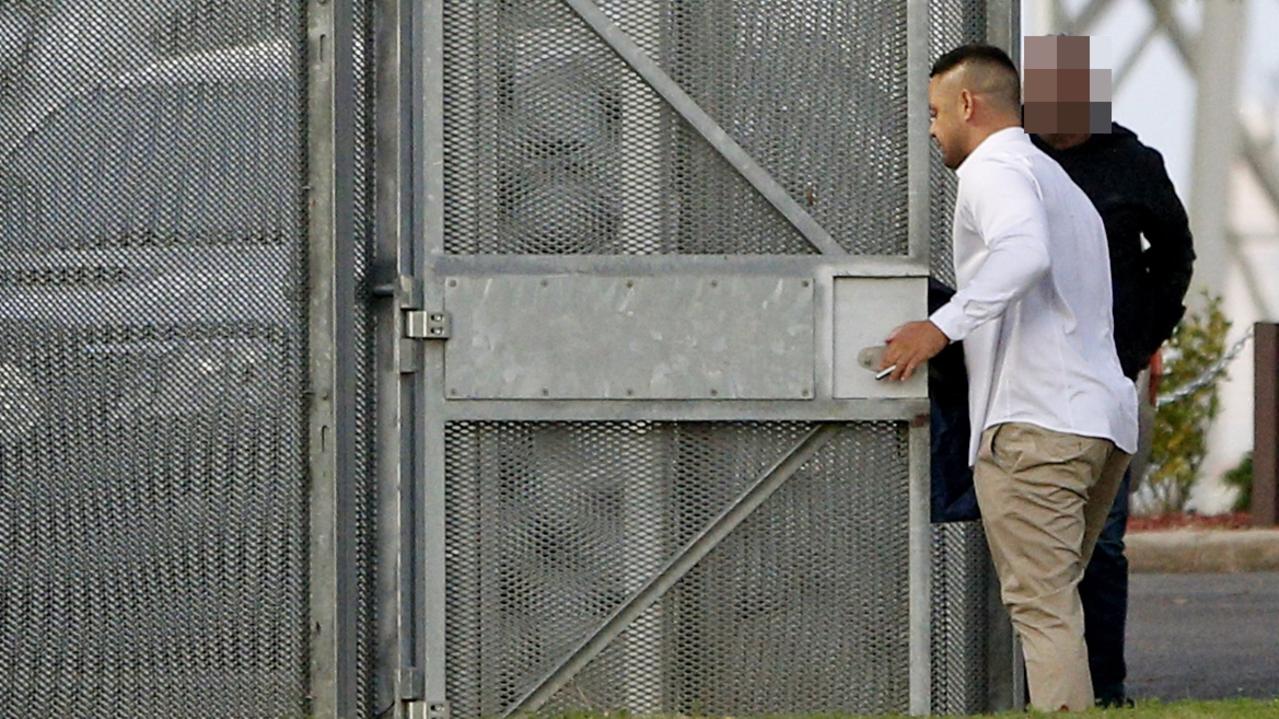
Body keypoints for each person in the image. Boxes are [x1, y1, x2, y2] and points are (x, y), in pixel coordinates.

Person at [879, 43, 1138, 712]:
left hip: (1034, 428)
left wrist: (939, 327)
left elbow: (1021, 252)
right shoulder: (1057, 181)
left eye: (934, 111)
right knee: (1057, 604)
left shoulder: (992, 170)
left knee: (1042, 610)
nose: (931, 127)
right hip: (1099, 423)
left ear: (967, 104)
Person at [1031, 124, 1195, 707]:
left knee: (1101, 538)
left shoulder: (1132, 162)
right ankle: (1033, 683)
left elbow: (1176, 255)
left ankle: (1105, 686)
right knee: (1030, 542)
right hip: (1027, 377)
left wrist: (1143, 336)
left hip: (1109, 374)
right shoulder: (1012, 156)